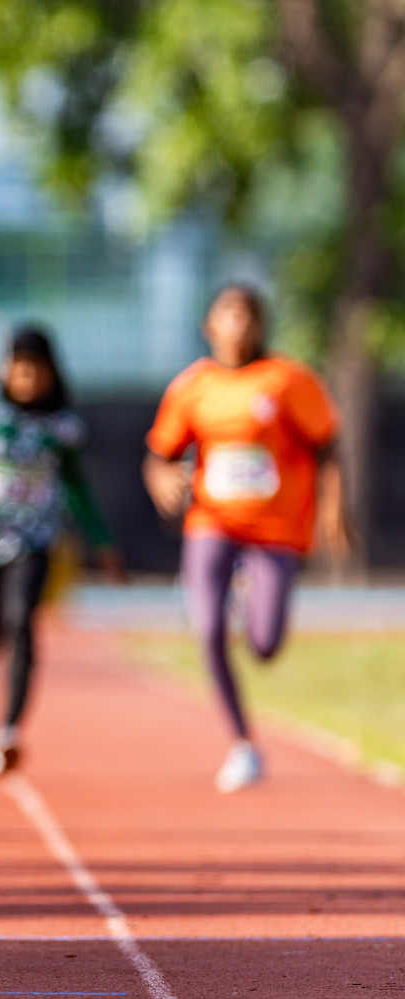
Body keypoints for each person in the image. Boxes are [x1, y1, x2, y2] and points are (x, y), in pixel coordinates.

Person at [144, 284, 348, 792]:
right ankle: (242, 744)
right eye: (227, 313)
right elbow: (159, 456)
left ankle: (251, 594)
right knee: (208, 628)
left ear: (260, 326)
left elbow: (328, 445)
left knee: (265, 644)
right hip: (213, 524)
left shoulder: (287, 381)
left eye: (247, 314)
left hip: (275, 529)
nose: (237, 323)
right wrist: (161, 481)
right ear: (208, 326)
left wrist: (333, 509)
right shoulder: (192, 388)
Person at [0, 325, 123, 777]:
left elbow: (76, 484)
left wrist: (100, 540)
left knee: (22, 620)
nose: (24, 379)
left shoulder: (63, 424)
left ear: (50, 373)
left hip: (34, 536)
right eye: (17, 368)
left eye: (34, 371)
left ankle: (8, 730)